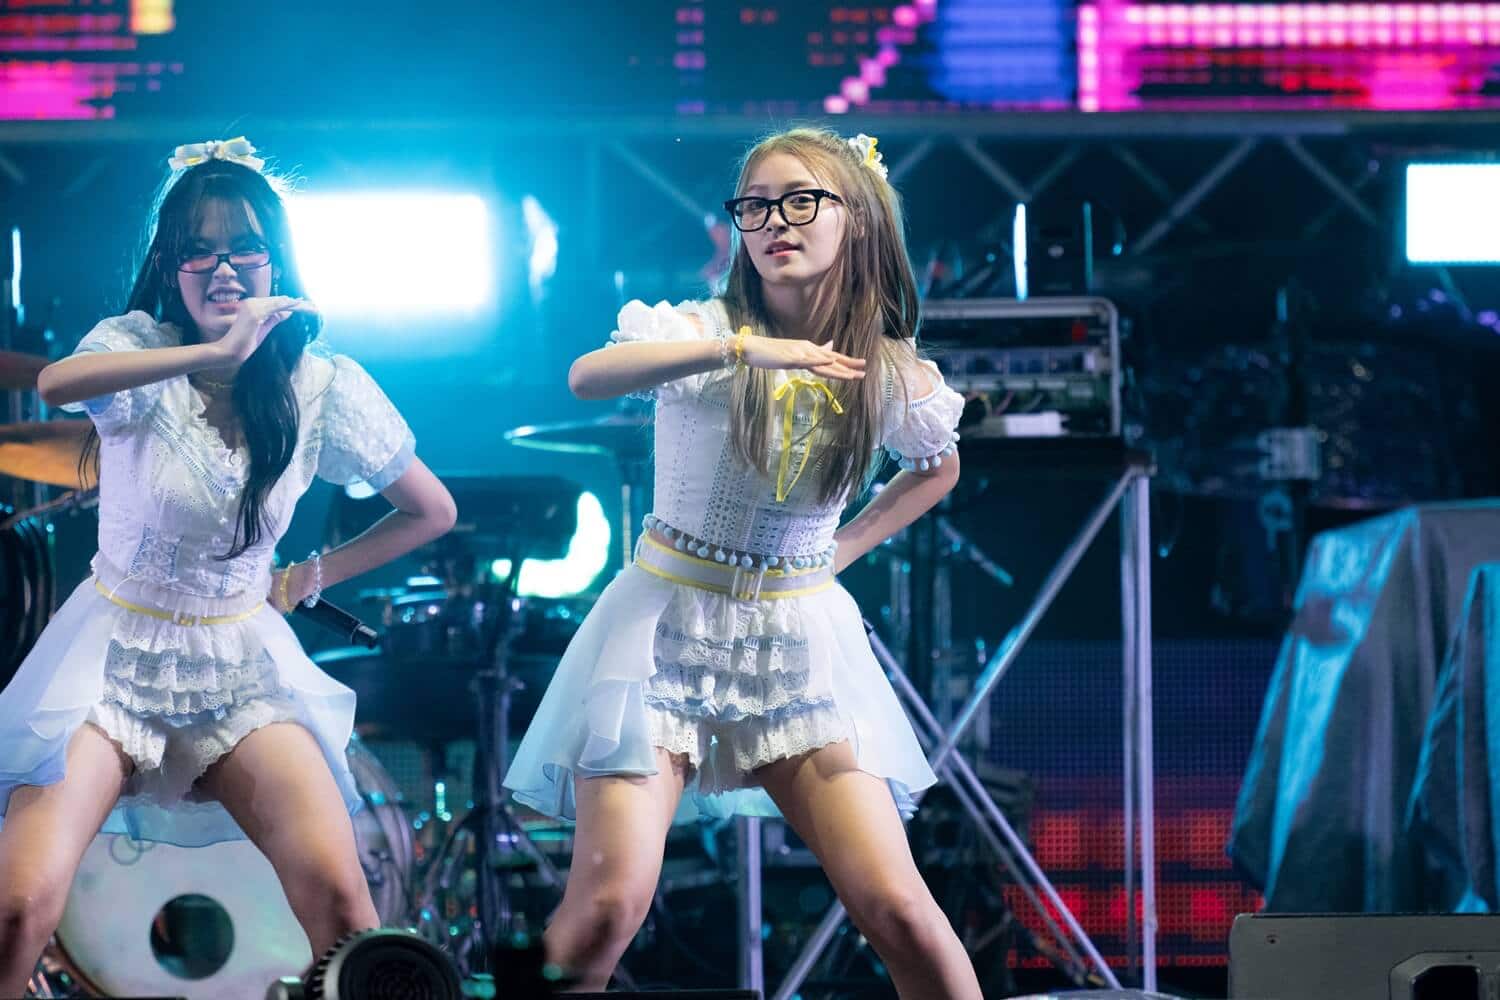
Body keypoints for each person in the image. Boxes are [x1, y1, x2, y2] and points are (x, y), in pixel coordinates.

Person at [504, 127, 981, 999]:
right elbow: (588, 377)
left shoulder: (888, 371)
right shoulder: (704, 330)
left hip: (797, 642)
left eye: (800, 201)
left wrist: (838, 552)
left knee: (900, 910)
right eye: (755, 206)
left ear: (857, 218)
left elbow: (938, 467)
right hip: (664, 630)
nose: (774, 223)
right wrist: (743, 349)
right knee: (606, 909)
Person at [0, 137, 457, 994]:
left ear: (277, 262)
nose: (222, 269)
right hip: (111, 658)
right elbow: (59, 384)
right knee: (18, 906)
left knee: (347, 913)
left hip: (239, 663)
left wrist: (311, 575)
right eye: (198, 250)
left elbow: (431, 510)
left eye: (244, 247)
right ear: (169, 267)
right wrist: (212, 355)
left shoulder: (324, 385)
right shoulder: (137, 350)